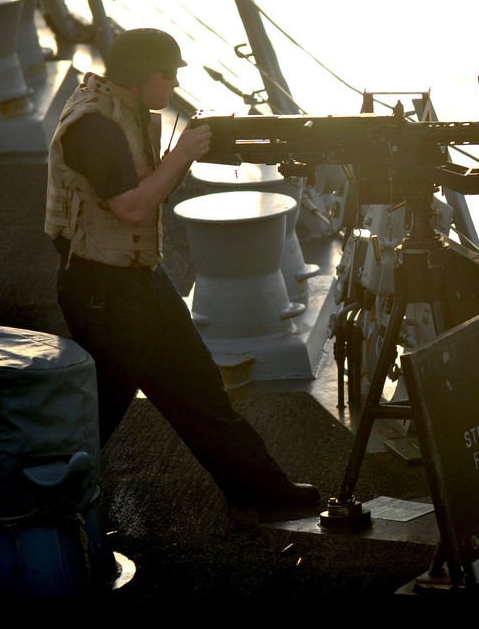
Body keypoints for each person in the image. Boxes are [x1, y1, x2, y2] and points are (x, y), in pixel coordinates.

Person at [45, 28, 319, 507]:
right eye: (167, 76)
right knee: (96, 412)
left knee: (199, 392)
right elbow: (130, 207)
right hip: (103, 292)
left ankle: (262, 491)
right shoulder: (95, 126)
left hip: (139, 279)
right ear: (139, 77)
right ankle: (38, 497)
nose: (172, 86)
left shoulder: (125, 112)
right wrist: (184, 154)